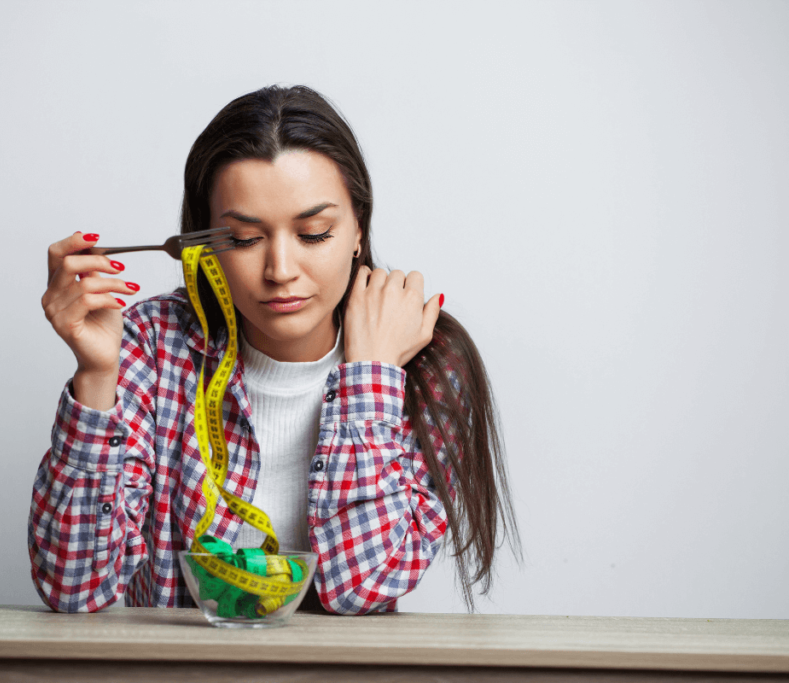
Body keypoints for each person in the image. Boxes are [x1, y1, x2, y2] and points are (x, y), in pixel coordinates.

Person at [31, 85, 519, 615]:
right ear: (204, 245)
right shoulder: (150, 347)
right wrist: (97, 374)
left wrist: (370, 378)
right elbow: (73, 590)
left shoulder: (427, 362)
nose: (281, 270)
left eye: (313, 233)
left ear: (358, 228)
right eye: (243, 239)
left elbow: (360, 587)